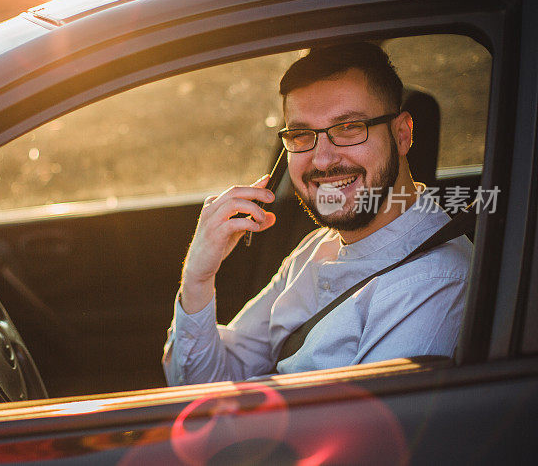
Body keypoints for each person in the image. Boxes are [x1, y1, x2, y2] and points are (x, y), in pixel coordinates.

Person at [162, 42, 472, 385]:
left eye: (350, 127)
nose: (322, 160)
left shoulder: (433, 282)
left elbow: (364, 434)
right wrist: (198, 278)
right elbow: (204, 388)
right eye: (300, 134)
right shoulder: (315, 247)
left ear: (402, 135)